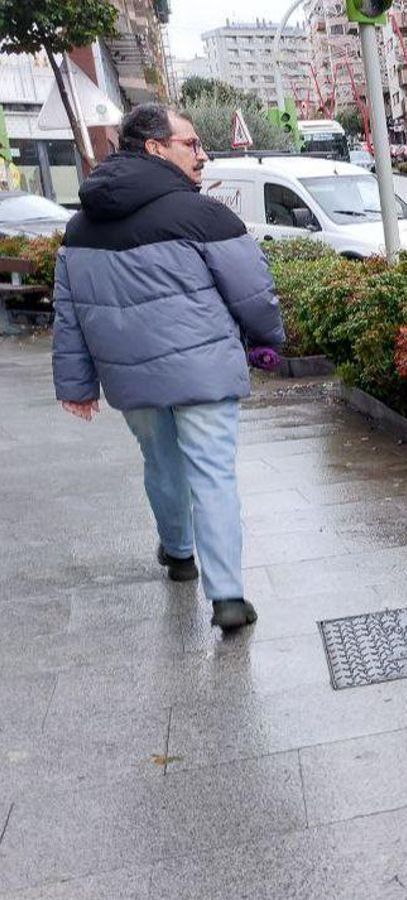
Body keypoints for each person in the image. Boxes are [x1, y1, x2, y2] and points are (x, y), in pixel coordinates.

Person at [52, 103, 284, 631]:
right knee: (213, 476)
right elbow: (252, 291)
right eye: (192, 144)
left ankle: (179, 554)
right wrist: (271, 338)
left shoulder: (81, 226)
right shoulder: (202, 215)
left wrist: (76, 384)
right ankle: (227, 596)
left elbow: (69, 313)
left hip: (129, 377)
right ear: (156, 148)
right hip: (202, 371)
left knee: (160, 463)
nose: (202, 155)